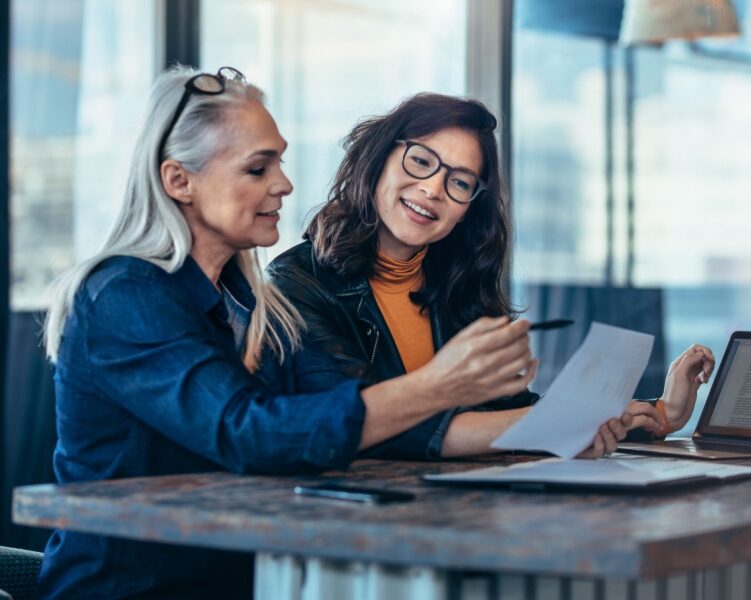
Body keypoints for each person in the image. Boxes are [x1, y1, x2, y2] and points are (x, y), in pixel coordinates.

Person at [37, 68, 542, 599]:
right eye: (258, 168)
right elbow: (247, 433)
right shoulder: (124, 293)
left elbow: (335, 418)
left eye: (278, 161)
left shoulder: (255, 305)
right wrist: (437, 385)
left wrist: (567, 425)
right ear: (178, 180)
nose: (284, 183)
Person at [268, 93, 715, 460]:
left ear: (468, 210)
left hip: (457, 513)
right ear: (378, 159)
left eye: (460, 182)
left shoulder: (455, 285)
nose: (433, 189)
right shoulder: (296, 284)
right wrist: (560, 426)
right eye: (420, 161)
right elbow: (368, 424)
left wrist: (661, 412)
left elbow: (508, 412)